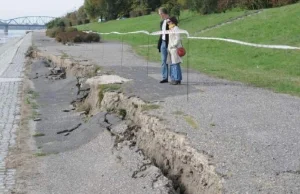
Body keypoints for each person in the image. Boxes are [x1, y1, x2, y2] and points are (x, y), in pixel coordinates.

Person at [166, 16, 183, 85]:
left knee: (175, 64)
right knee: (173, 64)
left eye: (169, 21)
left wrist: (173, 45)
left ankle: (177, 79)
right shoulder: (171, 29)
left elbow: (178, 38)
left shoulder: (176, 28)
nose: (168, 23)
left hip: (174, 48)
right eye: (167, 22)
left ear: (173, 21)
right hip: (170, 49)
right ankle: (175, 78)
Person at [157, 7, 169, 83]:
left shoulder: (171, 20)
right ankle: (165, 77)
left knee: (172, 61)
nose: (159, 15)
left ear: (163, 13)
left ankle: (174, 77)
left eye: (160, 14)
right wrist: (159, 44)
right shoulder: (161, 23)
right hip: (163, 43)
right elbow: (162, 34)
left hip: (170, 43)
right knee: (163, 61)